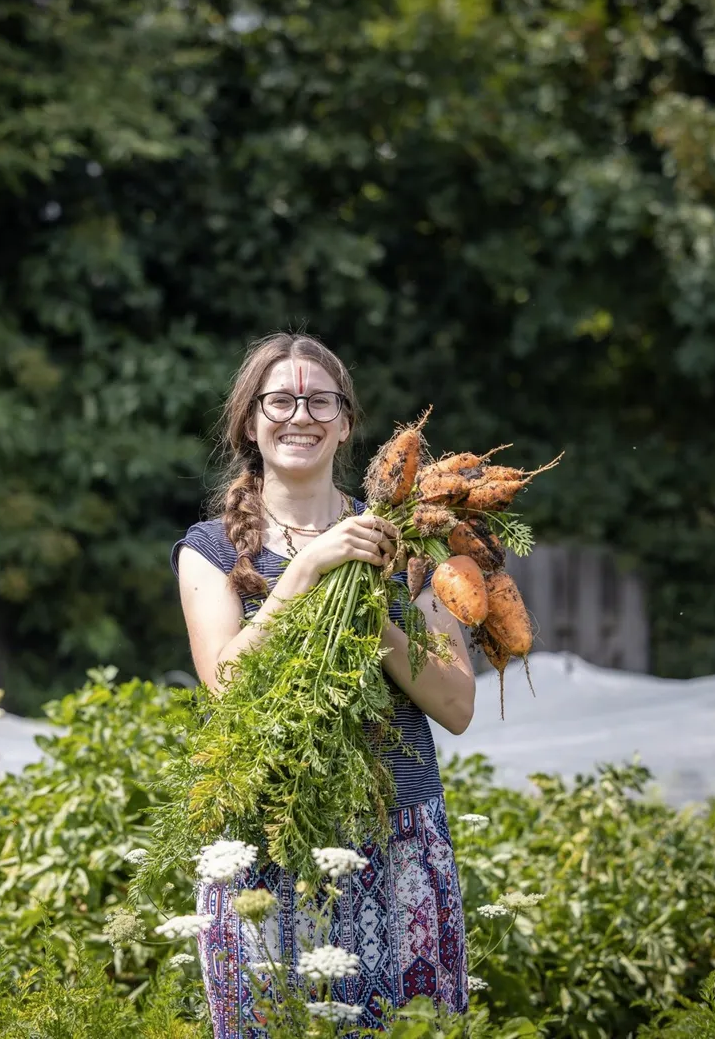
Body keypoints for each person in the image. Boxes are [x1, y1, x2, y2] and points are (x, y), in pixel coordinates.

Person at [170, 332, 475, 1037]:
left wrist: (376, 619)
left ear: (345, 423)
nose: (298, 414)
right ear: (250, 422)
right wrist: (307, 573)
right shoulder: (211, 550)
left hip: (398, 842)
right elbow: (229, 684)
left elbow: (457, 706)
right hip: (267, 848)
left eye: (319, 401)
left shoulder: (413, 541)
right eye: (280, 399)